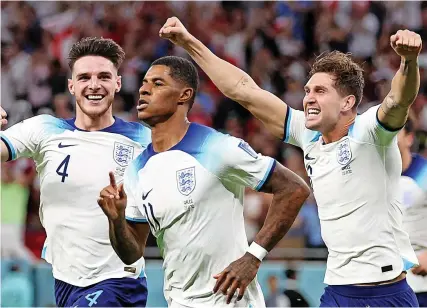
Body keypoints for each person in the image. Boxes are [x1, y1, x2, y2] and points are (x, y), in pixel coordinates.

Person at [159, 17, 422, 307]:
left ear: (347, 102)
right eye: (307, 90)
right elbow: (242, 89)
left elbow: (399, 99)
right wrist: (188, 42)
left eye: (320, 91)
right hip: (336, 289)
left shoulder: (372, 133)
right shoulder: (307, 134)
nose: (308, 98)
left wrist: (408, 62)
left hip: (384, 292)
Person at [97, 56, 310, 307]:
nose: (144, 89)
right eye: (144, 83)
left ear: (184, 95)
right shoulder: (137, 170)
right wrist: (116, 220)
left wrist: (253, 257)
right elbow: (132, 254)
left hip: (230, 302)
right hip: (179, 302)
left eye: (157, 83)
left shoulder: (217, 147)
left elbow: (294, 188)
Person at [0, 37, 151, 307]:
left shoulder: (143, 140)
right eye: (84, 78)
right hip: (66, 281)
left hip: (117, 280)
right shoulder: (44, 129)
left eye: (104, 76)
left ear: (117, 83)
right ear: (71, 85)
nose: (94, 85)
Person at [398, 117, 427, 307]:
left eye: (394, 132)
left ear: (409, 138)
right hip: (385, 284)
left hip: (421, 284)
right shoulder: (373, 177)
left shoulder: (424, 173)